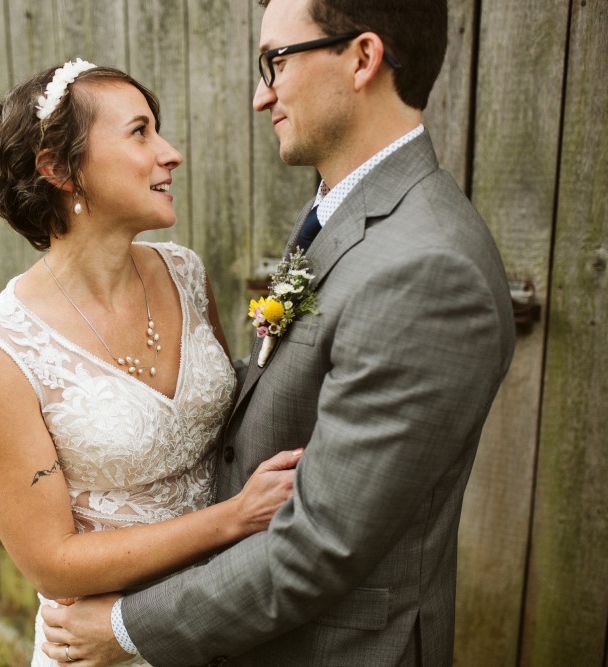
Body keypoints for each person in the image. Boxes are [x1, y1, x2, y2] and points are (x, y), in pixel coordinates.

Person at [39, 0, 516, 664]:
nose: (261, 97)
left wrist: (124, 626)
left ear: (362, 57)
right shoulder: (346, 212)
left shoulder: (427, 268)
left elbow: (321, 543)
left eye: (275, 62)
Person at [0, 60, 303, 666]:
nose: (170, 154)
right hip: (102, 646)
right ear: (59, 169)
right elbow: (49, 559)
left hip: (220, 618)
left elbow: (229, 436)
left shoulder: (185, 273)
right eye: (140, 132)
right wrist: (234, 520)